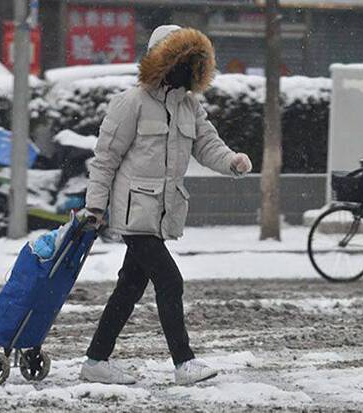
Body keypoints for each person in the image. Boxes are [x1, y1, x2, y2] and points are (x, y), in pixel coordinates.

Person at [80, 25, 253, 385]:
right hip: (133, 213)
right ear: (160, 61)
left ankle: (96, 360)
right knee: (170, 281)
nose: (185, 69)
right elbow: (105, 158)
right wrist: (95, 209)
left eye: (192, 62)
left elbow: (208, 145)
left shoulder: (190, 105)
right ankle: (183, 363)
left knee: (129, 287)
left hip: (161, 212)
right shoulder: (132, 102)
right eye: (178, 61)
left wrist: (233, 162)